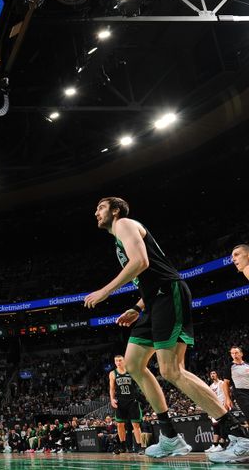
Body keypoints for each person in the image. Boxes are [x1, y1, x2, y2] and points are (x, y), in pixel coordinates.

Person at [85, 196, 249, 462]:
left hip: (167, 295)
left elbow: (141, 263)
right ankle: (170, 437)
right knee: (133, 364)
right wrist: (138, 308)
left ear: (115, 210)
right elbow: (152, 273)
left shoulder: (124, 224)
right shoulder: (119, 237)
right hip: (152, 301)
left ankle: (239, 435)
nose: (96, 212)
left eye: (101, 207)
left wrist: (105, 292)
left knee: (172, 370)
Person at [109, 354, 143, 454]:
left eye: (120, 360)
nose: (118, 362)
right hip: (120, 401)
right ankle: (122, 446)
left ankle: (140, 447)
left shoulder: (131, 371)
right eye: (116, 361)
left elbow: (140, 382)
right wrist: (112, 399)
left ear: (124, 361)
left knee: (135, 424)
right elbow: (112, 388)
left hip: (132, 400)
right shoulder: (113, 373)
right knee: (120, 424)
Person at [222, 346, 249, 421]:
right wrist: (227, 399)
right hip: (240, 393)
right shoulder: (229, 367)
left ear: (241, 354)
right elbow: (225, 384)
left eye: (236, 353)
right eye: (232, 353)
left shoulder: (247, 365)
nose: (234, 355)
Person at [207, 371, 228, 453]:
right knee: (215, 426)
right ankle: (215, 445)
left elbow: (226, 394)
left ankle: (222, 445)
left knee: (222, 425)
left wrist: (226, 403)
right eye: (211, 374)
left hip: (222, 406)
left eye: (214, 373)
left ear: (217, 374)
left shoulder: (222, 383)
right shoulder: (211, 386)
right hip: (214, 408)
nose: (212, 375)